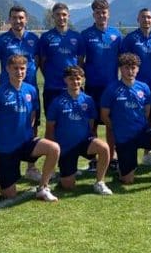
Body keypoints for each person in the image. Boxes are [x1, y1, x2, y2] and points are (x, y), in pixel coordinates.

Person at [0, 55, 61, 201]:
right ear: (7, 69)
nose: (19, 72)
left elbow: (32, 116)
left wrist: (25, 134)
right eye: (15, 68)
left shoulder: (31, 90)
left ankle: (43, 188)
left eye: (22, 69)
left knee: (54, 148)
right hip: (5, 149)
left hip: (25, 143)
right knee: (9, 195)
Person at [100, 53, 151, 187]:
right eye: (126, 68)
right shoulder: (111, 89)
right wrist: (117, 129)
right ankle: (123, 168)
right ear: (120, 69)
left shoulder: (144, 87)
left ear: (138, 69)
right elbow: (104, 115)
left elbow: (146, 112)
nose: (130, 71)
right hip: (124, 138)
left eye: (133, 68)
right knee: (127, 180)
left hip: (142, 132)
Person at [0, 5, 43, 182]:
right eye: (14, 18)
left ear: (26, 19)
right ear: (9, 20)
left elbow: (37, 61)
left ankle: (31, 167)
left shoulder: (34, 39)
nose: (18, 21)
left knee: (32, 126)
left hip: (30, 92)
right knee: (4, 127)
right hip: (8, 93)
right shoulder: (1, 40)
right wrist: (3, 84)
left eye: (21, 18)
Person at [46, 66, 113, 195]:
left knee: (104, 147)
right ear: (65, 80)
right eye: (71, 79)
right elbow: (50, 129)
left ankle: (100, 182)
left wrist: (90, 139)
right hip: (66, 147)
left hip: (84, 143)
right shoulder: (57, 102)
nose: (75, 82)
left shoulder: (88, 100)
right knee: (68, 186)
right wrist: (53, 151)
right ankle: (65, 176)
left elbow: (91, 124)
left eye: (78, 79)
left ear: (82, 79)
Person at [120, 8, 151, 167]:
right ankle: (127, 151)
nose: (146, 20)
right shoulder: (131, 38)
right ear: (138, 19)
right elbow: (124, 60)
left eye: (149, 17)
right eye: (143, 17)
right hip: (133, 87)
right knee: (131, 116)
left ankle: (147, 154)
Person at [82, 0, 122, 167]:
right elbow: (80, 61)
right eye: (98, 13)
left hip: (111, 87)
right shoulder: (86, 35)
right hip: (92, 86)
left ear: (108, 14)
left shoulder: (116, 35)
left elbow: (122, 59)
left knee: (110, 123)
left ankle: (112, 157)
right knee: (92, 123)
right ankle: (93, 158)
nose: (101, 15)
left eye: (104, 12)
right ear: (93, 15)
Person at [37, 2, 85, 114]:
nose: (61, 17)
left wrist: (74, 77)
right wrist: (50, 77)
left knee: (74, 119)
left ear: (69, 16)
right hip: (52, 87)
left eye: (64, 14)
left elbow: (80, 61)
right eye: (57, 14)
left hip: (72, 86)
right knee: (52, 120)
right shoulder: (46, 37)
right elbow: (42, 62)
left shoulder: (77, 37)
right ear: (53, 16)